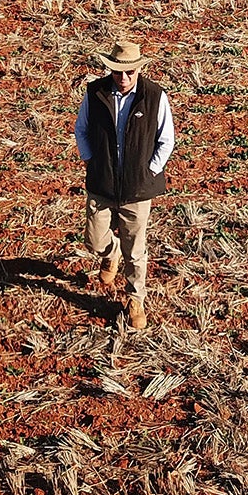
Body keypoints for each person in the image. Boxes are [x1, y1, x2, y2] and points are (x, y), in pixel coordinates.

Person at [74, 40, 175, 329]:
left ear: (138, 70)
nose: (124, 78)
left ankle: (135, 299)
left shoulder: (154, 96)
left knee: (136, 250)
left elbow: (166, 140)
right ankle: (110, 253)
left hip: (137, 189)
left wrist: (149, 171)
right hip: (101, 183)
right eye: (118, 72)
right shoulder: (95, 94)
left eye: (129, 72)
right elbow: (81, 129)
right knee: (94, 240)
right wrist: (91, 160)